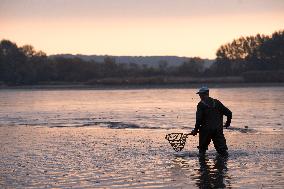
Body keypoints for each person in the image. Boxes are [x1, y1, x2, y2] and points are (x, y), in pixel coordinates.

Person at [190, 86, 232, 156]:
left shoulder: (201, 104)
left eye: (201, 94)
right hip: (218, 129)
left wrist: (195, 130)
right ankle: (223, 164)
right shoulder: (217, 102)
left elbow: (199, 119)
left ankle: (203, 165)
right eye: (199, 95)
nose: (200, 96)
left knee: (202, 151)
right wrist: (228, 123)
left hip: (205, 130)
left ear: (206, 93)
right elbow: (229, 113)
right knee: (222, 151)